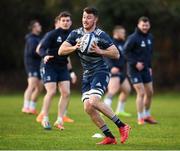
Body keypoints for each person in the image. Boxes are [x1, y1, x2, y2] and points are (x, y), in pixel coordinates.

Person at [59, 7, 131, 145]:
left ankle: (122, 126)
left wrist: (99, 50)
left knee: (94, 100)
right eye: (84, 17)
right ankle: (109, 137)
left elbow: (116, 54)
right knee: (88, 107)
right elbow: (61, 50)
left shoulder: (101, 35)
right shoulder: (76, 34)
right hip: (87, 75)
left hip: (100, 71)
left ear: (95, 19)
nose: (85, 20)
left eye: (89, 17)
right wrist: (74, 47)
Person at [36, 11, 77, 130]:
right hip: (49, 66)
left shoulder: (73, 35)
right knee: (52, 91)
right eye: (63, 20)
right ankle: (45, 118)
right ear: (59, 22)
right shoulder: (52, 34)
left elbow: (68, 55)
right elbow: (41, 49)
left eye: (67, 20)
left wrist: (72, 71)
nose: (65, 22)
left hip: (62, 66)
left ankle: (59, 120)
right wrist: (45, 56)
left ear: (71, 22)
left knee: (66, 93)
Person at [123, 16, 157, 125]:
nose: (145, 27)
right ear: (138, 25)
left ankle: (147, 115)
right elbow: (125, 52)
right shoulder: (133, 38)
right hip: (133, 69)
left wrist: (150, 67)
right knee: (141, 92)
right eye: (143, 25)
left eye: (147, 25)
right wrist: (135, 63)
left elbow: (149, 54)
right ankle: (140, 118)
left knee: (150, 92)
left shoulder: (150, 37)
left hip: (146, 69)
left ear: (149, 25)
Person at [104, 26, 131, 117]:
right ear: (117, 33)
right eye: (122, 33)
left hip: (122, 71)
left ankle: (120, 110)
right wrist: (111, 67)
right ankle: (104, 110)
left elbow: (125, 57)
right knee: (112, 90)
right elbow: (105, 56)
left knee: (127, 89)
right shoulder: (111, 43)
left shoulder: (124, 43)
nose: (124, 34)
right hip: (113, 70)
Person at [22, 20, 42, 115]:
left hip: (39, 66)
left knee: (39, 87)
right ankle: (25, 107)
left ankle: (32, 107)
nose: (40, 26)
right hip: (32, 65)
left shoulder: (38, 38)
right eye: (38, 25)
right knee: (31, 85)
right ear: (34, 28)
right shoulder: (31, 39)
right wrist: (42, 53)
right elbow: (31, 53)